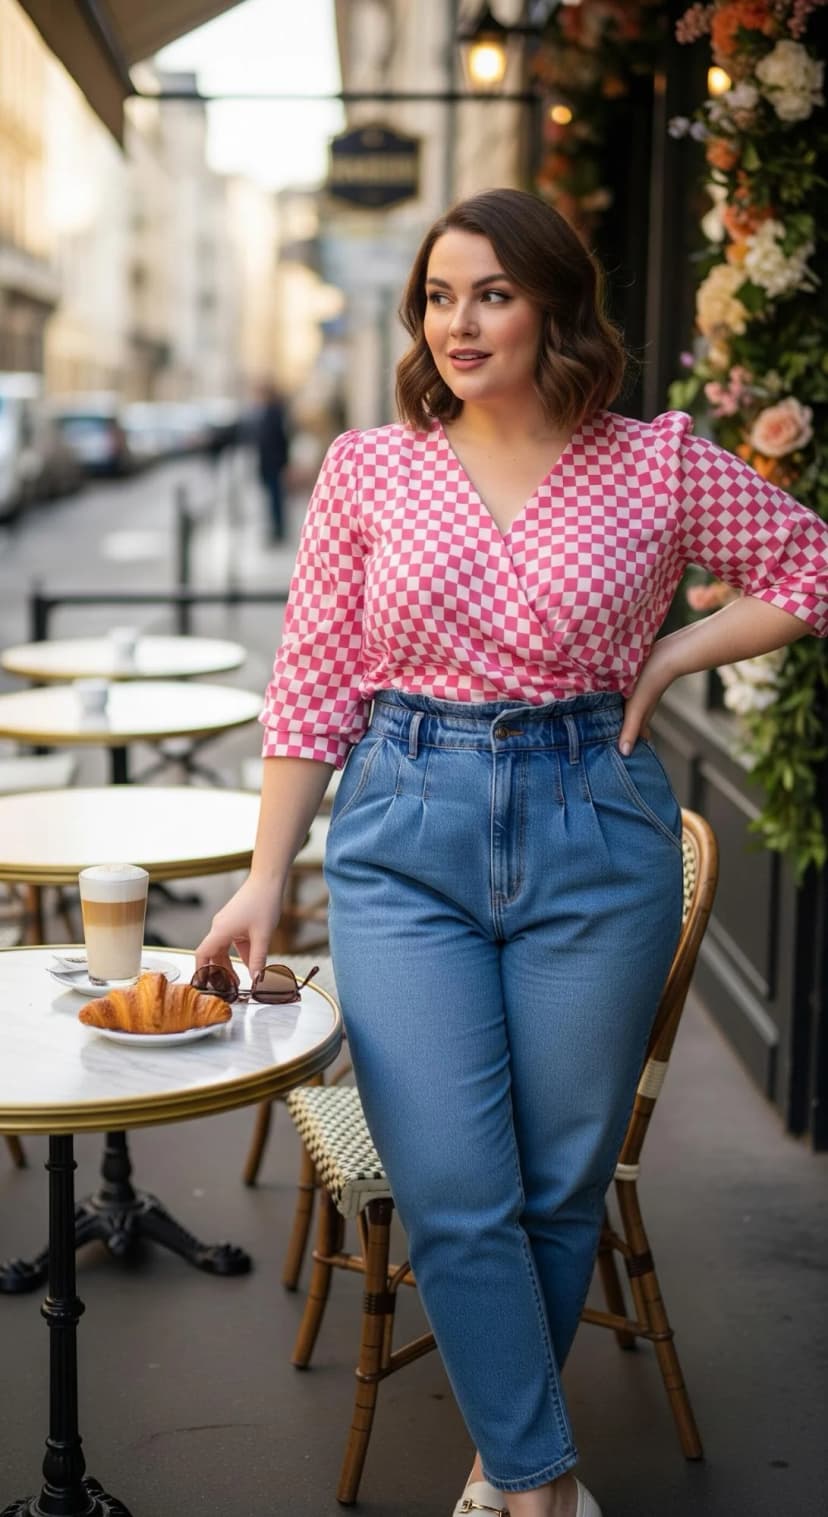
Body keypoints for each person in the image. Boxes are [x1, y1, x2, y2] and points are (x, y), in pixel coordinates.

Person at [196, 189, 828, 1517]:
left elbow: (806, 564)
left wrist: (672, 649)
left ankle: (510, 1474)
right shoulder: (373, 467)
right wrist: (267, 872)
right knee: (447, 1173)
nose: (460, 321)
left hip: (593, 823)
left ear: (553, 302)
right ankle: (540, 1477)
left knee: (556, 1177)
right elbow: (313, 679)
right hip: (402, 830)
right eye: (440, 295)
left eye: (491, 291)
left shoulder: (653, 462)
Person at [254, 383, 290, 541]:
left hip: (274, 464)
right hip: (270, 464)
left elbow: (280, 440)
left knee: (276, 500)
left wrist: (282, 463)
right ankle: (276, 529)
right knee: (272, 500)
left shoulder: (274, 414)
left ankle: (278, 530)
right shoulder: (269, 413)